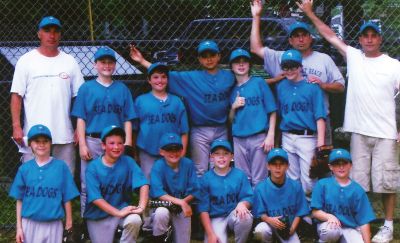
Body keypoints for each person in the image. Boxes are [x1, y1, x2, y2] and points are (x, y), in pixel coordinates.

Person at [298, 1, 400, 241]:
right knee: (359, 183)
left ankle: (387, 225)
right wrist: (309, 13)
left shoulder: (394, 65)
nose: (369, 40)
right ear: (361, 40)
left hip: (386, 132)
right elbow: (329, 34)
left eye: (374, 36)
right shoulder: (354, 56)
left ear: (380, 40)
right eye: (365, 36)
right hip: (358, 132)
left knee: (386, 182)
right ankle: (358, 223)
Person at [130, 40, 235, 177]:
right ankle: (201, 197)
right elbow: (162, 75)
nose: (209, 59)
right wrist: (142, 61)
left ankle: (219, 195)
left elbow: (247, 81)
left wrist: (272, 80)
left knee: (220, 166)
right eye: (204, 56)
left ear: (219, 56)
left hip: (222, 128)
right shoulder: (191, 77)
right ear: (199, 59)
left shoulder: (229, 76)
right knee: (200, 169)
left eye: (212, 55)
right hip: (200, 129)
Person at [250, 0, 344, 145]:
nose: (300, 39)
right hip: (290, 125)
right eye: (296, 36)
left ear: (310, 38)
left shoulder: (323, 59)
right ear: (290, 40)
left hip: (319, 121)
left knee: (321, 164)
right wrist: (256, 17)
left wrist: (323, 85)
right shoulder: (281, 57)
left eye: (304, 35)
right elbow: (255, 48)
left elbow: (340, 86)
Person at [10, 16, 84, 173]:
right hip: (33, 135)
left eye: (56, 31)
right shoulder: (26, 61)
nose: (52, 35)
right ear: (39, 34)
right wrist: (16, 126)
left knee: (65, 181)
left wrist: (79, 127)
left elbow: (80, 96)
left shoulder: (70, 61)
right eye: (47, 31)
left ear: (60, 35)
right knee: (32, 182)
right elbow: (16, 95)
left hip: (64, 134)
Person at [71, 46, 136, 214]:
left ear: (115, 65)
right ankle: (88, 220)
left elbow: (128, 118)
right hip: (93, 140)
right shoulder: (86, 88)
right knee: (88, 184)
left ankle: (120, 218)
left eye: (110, 62)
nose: (106, 65)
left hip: (115, 143)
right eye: (102, 62)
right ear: (95, 65)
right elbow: (81, 118)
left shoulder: (122, 89)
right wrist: (83, 145)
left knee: (118, 181)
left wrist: (127, 144)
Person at [9, 124, 79, 243]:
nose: (41, 144)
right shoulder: (24, 169)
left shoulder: (61, 167)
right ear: (30, 144)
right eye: (37, 141)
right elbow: (19, 200)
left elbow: (67, 197)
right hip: (29, 223)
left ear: (50, 143)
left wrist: (69, 222)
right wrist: (19, 228)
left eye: (45, 141)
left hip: (53, 224)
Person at [83, 125, 149, 243]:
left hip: (122, 211)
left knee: (134, 219)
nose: (116, 147)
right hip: (98, 216)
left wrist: (141, 207)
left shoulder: (128, 162)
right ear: (103, 145)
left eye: (120, 143)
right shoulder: (93, 167)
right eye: (111, 143)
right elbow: (96, 198)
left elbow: (143, 183)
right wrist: (117, 212)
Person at [276, 49, 326, 195]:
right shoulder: (281, 87)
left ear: (300, 67)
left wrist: (321, 144)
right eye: (286, 67)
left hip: (307, 137)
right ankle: (297, 214)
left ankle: (313, 214)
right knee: (291, 178)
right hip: (287, 136)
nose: (290, 70)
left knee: (309, 179)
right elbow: (280, 115)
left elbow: (320, 117)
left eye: (293, 66)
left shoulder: (312, 87)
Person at [228, 48, 277, 187]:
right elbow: (230, 120)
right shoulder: (232, 89)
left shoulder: (259, 82)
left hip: (258, 137)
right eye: (237, 62)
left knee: (259, 179)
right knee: (243, 180)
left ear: (250, 65)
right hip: (238, 138)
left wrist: (270, 135)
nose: (241, 65)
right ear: (231, 66)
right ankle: (246, 208)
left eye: (245, 62)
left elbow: (272, 110)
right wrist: (233, 107)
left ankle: (259, 208)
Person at [134, 63, 189, 179]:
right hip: (148, 150)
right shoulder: (141, 101)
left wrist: (182, 153)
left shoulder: (177, 101)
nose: (160, 80)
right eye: (155, 77)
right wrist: (135, 153)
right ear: (149, 80)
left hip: (173, 152)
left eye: (163, 77)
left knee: (171, 182)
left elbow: (184, 131)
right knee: (148, 183)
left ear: (168, 80)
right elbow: (135, 130)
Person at [311, 148, 375, 243]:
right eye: (337, 164)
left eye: (344, 163)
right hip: (329, 225)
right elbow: (315, 212)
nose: (341, 167)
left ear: (350, 165)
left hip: (349, 228)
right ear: (330, 167)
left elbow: (364, 220)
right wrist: (328, 216)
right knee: (330, 232)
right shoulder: (322, 184)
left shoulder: (357, 190)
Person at [199, 139, 253, 243]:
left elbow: (248, 196)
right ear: (211, 157)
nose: (221, 157)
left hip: (234, 214)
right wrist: (210, 234)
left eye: (225, 153)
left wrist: (243, 204)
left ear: (232, 156)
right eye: (217, 154)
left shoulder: (239, 174)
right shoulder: (206, 178)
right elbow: (203, 210)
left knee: (245, 216)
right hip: (216, 218)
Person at [149, 132, 199, 243]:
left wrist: (183, 202)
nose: (174, 153)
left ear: (182, 150)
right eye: (169, 150)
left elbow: (195, 190)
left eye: (177, 149)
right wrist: (181, 202)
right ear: (161, 152)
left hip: (182, 207)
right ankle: (158, 239)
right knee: (161, 213)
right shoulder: (158, 166)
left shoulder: (188, 164)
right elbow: (158, 193)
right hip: (164, 206)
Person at [253, 148, 309, 243]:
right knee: (261, 230)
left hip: (288, 227)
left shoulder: (295, 186)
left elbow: (300, 212)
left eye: (281, 164)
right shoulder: (260, 188)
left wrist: (292, 229)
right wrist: (269, 220)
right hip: (269, 225)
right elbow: (260, 213)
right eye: (274, 164)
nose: (277, 167)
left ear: (287, 166)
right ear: (268, 166)